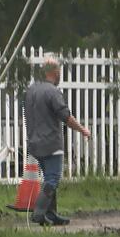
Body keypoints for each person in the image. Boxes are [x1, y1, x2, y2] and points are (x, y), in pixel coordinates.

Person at [22, 54, 91, 226]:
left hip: (34, 142)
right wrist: (82, 129)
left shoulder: (31, 91)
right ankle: (39, 212)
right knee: (53, 178)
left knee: (47, 178)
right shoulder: (53, 92)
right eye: (59, 71)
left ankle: (51, 214)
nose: (60, 75)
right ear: (54, 72)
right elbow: (65, 117)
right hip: (51, 143)